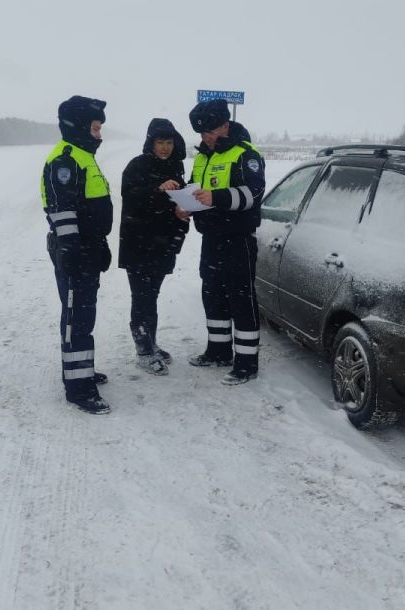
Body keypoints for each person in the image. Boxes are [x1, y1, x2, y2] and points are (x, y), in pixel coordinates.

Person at [185, 98, 266, 385]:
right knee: (213, 293)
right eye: (201, 133)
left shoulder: (246, 154)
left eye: (210, 131)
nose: (205, 138)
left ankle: (246, 362)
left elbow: (253, 195)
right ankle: (218, 351)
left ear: (225, 125)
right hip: (211, 238)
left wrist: (216, 198)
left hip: (238, 239)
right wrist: (186, 203)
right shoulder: (202, 156)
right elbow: (196, 188)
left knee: (240, 298)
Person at [41, 95, 113, 414]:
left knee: (85, 315)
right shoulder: (66, 159)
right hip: (74, 252)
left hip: (88, 250)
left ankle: (81, 369)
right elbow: (62, 209)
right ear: (80, 127)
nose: (99, 134)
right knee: (76, 320)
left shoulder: (84, 156)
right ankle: (78, 388)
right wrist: (72, 251)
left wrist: (100, 244)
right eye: (96, 128)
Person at [119, 118, 190, 374]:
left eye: (169, 142)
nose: (165, 148)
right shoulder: (137, 166)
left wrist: (182, 213)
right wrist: (157, 189)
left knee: (153, 297)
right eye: (160, 142)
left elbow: (177, 203)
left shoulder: (176, 166)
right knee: (141, 297)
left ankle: (152, 343)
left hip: (163, 245)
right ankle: (144, 351)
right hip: (138, 245)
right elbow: (130, 196)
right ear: (151, 142)